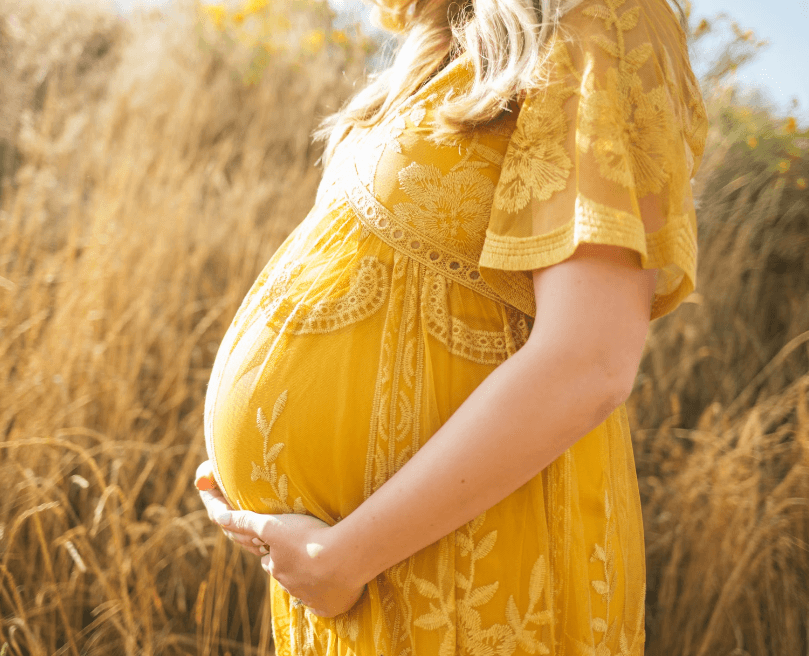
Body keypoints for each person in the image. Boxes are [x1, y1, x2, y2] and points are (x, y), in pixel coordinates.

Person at [195, 0, 708, 652]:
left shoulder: (601, 18)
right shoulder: (444, 46)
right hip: (363, 570)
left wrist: (340, 555)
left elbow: (590, 358)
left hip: (466, 566)